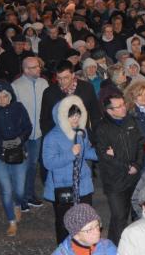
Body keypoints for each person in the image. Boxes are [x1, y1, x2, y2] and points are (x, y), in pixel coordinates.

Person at [43, 96, 98, 243]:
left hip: (83, 184)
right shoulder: (52, 137)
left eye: (78, 115)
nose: (76, 119)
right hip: (63, 186)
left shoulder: (80, 132)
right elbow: (48, 162)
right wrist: (70, 154)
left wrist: (102, 153)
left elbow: (85, 151)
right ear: (62, 116)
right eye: (72, 115)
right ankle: (64, 250)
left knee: (86, 221)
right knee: (64, 224)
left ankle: (84, 248)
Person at [0, 80, 32, 237]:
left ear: (10, 96)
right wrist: (1, 143)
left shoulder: (19, 107)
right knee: (6, 190)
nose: (2, 100)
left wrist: (20, 139)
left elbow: (28, 127)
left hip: (19, 154)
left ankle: (17, 204)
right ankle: (11, 221)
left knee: (20, 191)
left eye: (5, 96)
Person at [96, 91, 145, 245]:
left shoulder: (131, 121)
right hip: (115, 181)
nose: (124, 108)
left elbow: (140, 144)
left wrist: (137, 164)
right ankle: (115, 247)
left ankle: (135, 246)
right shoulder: (102, 128)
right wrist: (127, 167)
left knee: (137, 214)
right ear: (109, 111)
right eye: (119, 107)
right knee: (119, 217)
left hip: (134, 177)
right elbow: (105, 157)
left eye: (123, 104)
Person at [11, 56, 49, 209]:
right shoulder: (16, 86)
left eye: (39, 66)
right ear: (26, 70)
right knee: (21, 166)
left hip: (38, 132)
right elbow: (13, 112)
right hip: (23, 134)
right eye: (35, 67)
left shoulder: (43, 83)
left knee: (32, 165)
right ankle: (19, 198)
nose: (39, 69)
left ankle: (29, 195)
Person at [40, 60, 103, 139]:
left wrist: (96, 137)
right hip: (59, 138)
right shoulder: (49, 92)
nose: (62, 82)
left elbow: (95, 115)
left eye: (66, 78)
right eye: (59, 78)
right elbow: (45, 120)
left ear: (73, 75)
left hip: (82, 136)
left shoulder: (87, 88)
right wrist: (50, 139)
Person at [52, 203, 117, 255]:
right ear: (76, 235)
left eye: (97, 225)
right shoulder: (61, 253)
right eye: (89, 229)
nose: (97, 232)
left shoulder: (107, 246)